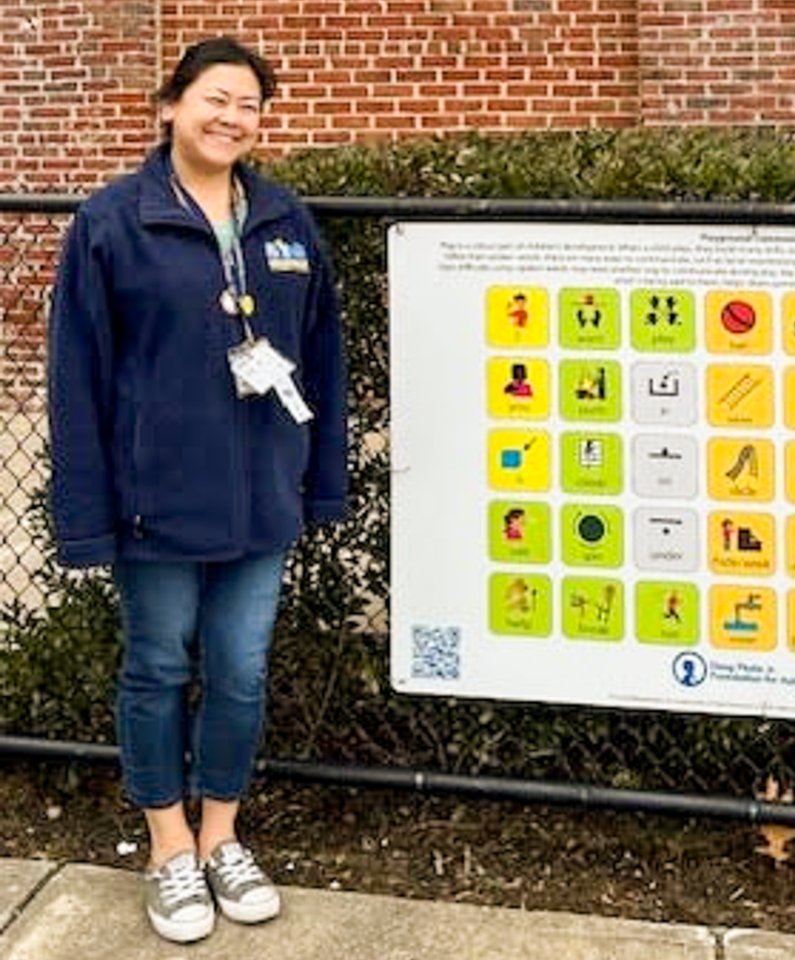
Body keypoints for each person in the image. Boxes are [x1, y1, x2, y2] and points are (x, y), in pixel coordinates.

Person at [47, 37, 347, 944]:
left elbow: (325, 365)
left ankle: (221, 833)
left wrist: (320, 485)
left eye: (250, 104)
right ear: (170, 106)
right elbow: (77, 377)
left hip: (263, 501)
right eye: (215, 98)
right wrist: (87, 516)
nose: (232, 118)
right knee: (159, 667)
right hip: (155, 506)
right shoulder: (111, 223)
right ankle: (168, 847)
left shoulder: (287, 222)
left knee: (242, 672)